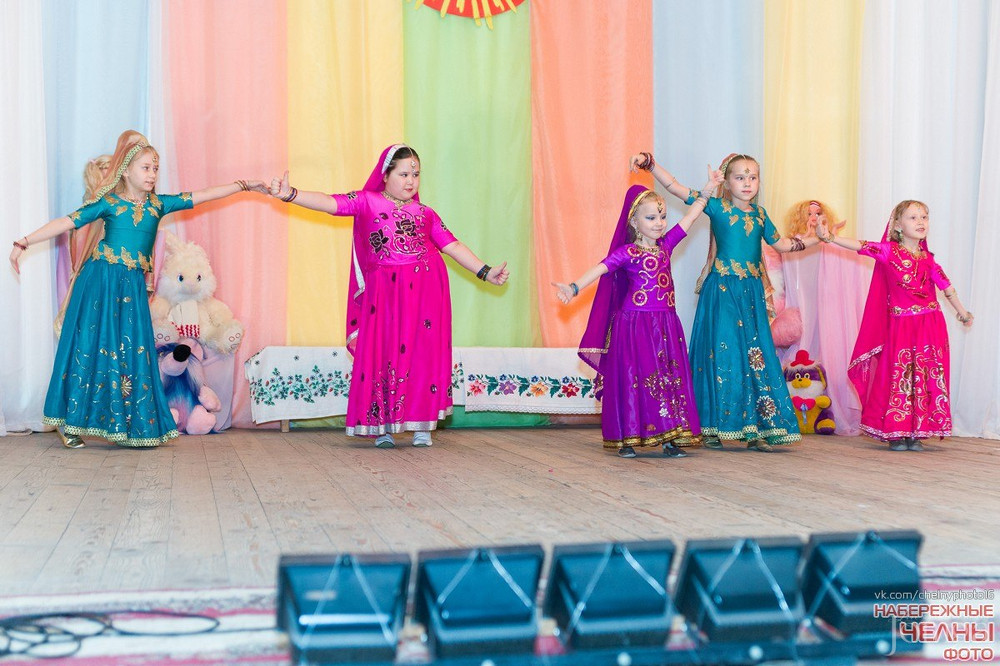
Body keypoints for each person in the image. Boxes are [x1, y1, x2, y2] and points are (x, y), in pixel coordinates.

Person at [9, 130, 267, 448]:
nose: (152, 174)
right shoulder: (110, 204)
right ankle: (71, 423)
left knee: (132, 351)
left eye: (155, 168)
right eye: (145, 167)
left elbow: (204, 194)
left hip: (131, 287)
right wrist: (24, 241)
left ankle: (127, 424)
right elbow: (66, 222)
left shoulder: (158, 206)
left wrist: (244, 185)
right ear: (127, 171)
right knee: (90, 347)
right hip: (100, 283)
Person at [267, 144, 509, 448]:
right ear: (386, 174)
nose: (411, 181)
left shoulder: (426, 213)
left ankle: (423, 426)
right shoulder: (367, 202)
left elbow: (453, 246)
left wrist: (485, 271)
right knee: (381, 354)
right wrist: (291, 194)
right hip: (385, 295)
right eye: (404, 173)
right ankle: (382, 428)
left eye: (416, 174)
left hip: (425, 293)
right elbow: (330, 203)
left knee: (422, 355)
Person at [629, 152, 817, 451]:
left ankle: (755, 428)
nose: (747, 183)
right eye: (739, 177)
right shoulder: (716, 207)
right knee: (723, 353)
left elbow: (783, 244)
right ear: (726, 182)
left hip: (751, 294)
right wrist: (650, 164)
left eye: (752, 177)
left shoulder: (761, 215)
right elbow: (676, 187)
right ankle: (715, 426)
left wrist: (817, 238)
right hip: (723, 291)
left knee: (755, 354)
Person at [554, 173, 720, 458]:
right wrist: (573, 287)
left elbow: (691, 218)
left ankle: (670, 437)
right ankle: (628, 437)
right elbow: (600, 269)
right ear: (633, 222)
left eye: (662, 217)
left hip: (666, 325)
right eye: (651, 218)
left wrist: (706, 191)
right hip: (634, 326)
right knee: (635, 378)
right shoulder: (627, 252)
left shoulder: (666, 246)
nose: (660, 223)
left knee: (668, 379)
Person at [818, 200, 973, 451]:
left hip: (930, 326)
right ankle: (895, 431)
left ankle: (916, 431)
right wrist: (830, 238)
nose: (921, 222)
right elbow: (861, 246)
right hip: (901, 326)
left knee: (924, 375)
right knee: (899, 374)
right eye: (913, 218)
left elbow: (947, 287)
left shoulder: (929, 260)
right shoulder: (889, 252)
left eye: (924, 217)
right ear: (898, 225)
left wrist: (962, 312)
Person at [777, 200, 871, 434]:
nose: (813, 216)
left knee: (826, 346)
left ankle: (824, 411)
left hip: (825, 305)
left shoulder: (829, 245)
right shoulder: (793, 245)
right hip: (803, 306)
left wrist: (829, 237)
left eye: (818, 213)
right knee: (803, 345)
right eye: (808, 213)